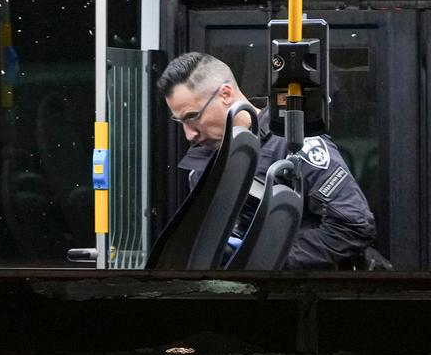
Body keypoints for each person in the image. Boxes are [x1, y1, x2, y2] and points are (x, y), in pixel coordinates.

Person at [157, 51, 376, 268]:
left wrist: (267, 261)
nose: (189, 134)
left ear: (225, 94)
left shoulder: (295, 143)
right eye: (180, 121)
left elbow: (353, 224)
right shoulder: (201, 168)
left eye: (192, 117)